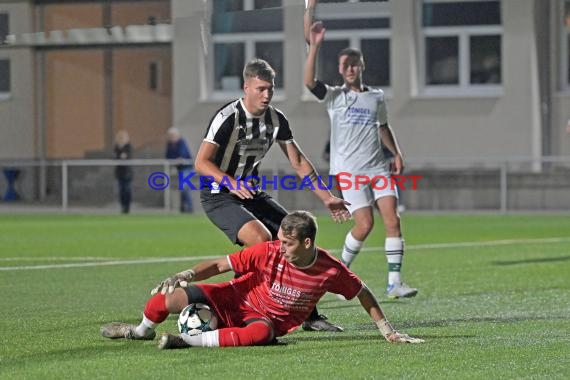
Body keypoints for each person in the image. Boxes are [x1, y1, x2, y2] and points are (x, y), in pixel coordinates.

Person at [100, 211, 424, 348]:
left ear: (307, 243)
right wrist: (184, 275)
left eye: (288, 243)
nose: (280, 247)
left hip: (262, 319)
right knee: (165, 300)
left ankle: (183, 341)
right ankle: (140, 332)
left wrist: (388, 331)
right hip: (230, 298)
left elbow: (362, 292)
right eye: (280, 240)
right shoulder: (268, 251)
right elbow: (219, 264)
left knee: (259, 333)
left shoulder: (330, 269)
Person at [194, 58, 350, 332]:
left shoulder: (277, 120)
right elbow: (201, 163)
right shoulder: (227, 117)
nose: (267, 95)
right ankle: (244, 306)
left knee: (297, 235)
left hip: (250, 193)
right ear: (246, 87)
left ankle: (309, 316)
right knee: (260, 239)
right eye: (261, 89)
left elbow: (299, 162)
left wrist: (327, 197)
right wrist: (231, 182)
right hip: (218, 193)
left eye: (271, 89)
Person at [304, 0, 417, 299]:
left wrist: (397, 152)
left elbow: (383, 127)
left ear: (362, 66)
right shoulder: (334, 97)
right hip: (349, 172)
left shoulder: (376, 97)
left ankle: (394, 283)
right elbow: (308, 82)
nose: (350, 69)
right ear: (340, 70)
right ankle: (338, 274)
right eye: (345, 66)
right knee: (364, 225)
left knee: (393, 220)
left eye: (354, 64)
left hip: (378, 168)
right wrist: (314, 46)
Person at [166, 127, 193, 213]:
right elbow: (168, 156)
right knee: (182, 188)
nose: (172, 137)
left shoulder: (182, 142)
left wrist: (178, 159)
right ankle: (183, 207)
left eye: (173, 135)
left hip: (186, 167)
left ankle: (189, 207)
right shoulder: (169, 145)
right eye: (171, 136)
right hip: (179, 169)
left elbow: (183, 154)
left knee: (184, 187)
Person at [114, 130, 133, 214]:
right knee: (121, 190)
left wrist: (123, 156)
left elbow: (126, 156)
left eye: (123, 138)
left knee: (127, 190)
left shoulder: (128, 147)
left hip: (127, 172)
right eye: (120, 138)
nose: (121, 139)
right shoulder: (116, 147)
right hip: (120, 172)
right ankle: (123, 206)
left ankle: (127, 207)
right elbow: (117, 157)